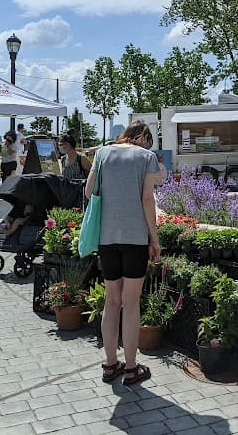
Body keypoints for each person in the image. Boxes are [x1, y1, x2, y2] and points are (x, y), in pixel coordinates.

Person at [85, 121, 160, 386]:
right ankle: (130, 368)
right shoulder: (147, 157)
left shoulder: (103, 153)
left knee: (111, 301)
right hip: (135, 240)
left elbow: (88, 191)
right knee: (132, 303)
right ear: (143, 137)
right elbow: (147, 199)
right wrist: (154, 238)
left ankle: (109, 365)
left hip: (107, 239)